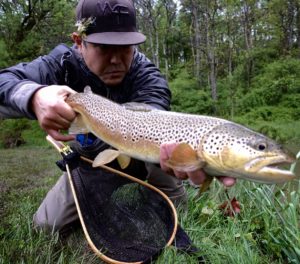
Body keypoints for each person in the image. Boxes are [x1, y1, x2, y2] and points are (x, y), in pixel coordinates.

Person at [0, 0, 235, 234]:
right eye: (104, 48)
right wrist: (35, 96)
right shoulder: (60, 65)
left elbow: (158, 119)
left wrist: (198, 155)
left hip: (147, 157)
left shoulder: (147, 75)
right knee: (45, 226)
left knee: (178, 212)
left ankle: (170, 200)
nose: (116, 60)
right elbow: (5, 82)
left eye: (125, 48)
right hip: (91, 162)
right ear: (79, 41)